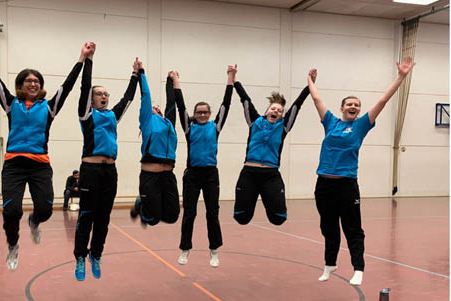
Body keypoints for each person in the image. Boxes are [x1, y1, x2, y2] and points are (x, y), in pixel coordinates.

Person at [0, 31, 90, 270]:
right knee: (11, 210)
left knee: (45, 209)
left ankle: (34, 221)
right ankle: (13, 245)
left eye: (36, 81)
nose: (33, 83)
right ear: (21, 85)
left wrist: (81, 58)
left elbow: (68, 86)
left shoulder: (49, 108)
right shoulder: (11, 104)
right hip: (14, 165)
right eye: (28, 81)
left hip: (40, 165)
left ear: (40, 86)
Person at [308, 57, 415, 286]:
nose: (353, 107)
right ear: (342, 108)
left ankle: (358, 268)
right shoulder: (330, 123)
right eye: (349, 104)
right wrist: (310, 80)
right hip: (323, 184)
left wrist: (401, 76)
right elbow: (316, 98)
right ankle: (329, 264)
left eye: (357, 104)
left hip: (346, 185)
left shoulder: (361, 125)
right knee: (328, 227)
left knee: (352, 227)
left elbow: (383, 100)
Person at [73, 44, 139, 281]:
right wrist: (88, 59)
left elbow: (128, 99)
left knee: (103, 218)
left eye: (106, 95)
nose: (104, 97)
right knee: (87, 215)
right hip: (90, 170)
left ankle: (96, 255)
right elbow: (83, 87)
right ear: (92, 99)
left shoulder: (112, 116)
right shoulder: (87, 114)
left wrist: (136, 74)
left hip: (110, 172)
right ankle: (80, 257)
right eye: (100, 94)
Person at [232, 67, 314, 228]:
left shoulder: (283, 127)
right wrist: (234, 80)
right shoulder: (254, 122)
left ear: (282, 115)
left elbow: (298, 105)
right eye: (273, 108)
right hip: (249, 173)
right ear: (267, 111)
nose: (275, 111)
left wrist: (309, 85)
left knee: (279, 218)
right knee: (241, 218)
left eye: (279, 110)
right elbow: (245, 100)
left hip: (270, 174)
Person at [173, 67, 234, 267]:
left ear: (209, 113)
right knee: (189, 212)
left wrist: (230, 78)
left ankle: (214, 250)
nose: (202, 114)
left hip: (210, 175)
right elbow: (180, 106)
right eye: (199, 112)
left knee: (212, 213)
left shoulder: (215, 126)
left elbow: (227, 103)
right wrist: (176, 82)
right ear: (195, 114)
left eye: (205, 112)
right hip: (192, 175)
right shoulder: (189, 128)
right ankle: (185, 249)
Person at [129, 62, 179, 227]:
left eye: (157, 108)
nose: (155, 108)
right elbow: (146, 96)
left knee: (172, 217)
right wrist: (141, 73)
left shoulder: (169, 124)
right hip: (150, 175)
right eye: (152, 107)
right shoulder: (147, 121)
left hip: (168, 176)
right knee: (152, 220)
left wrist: (170, 80)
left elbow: (172, 102)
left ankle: (146, 205)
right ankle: (142, 205)